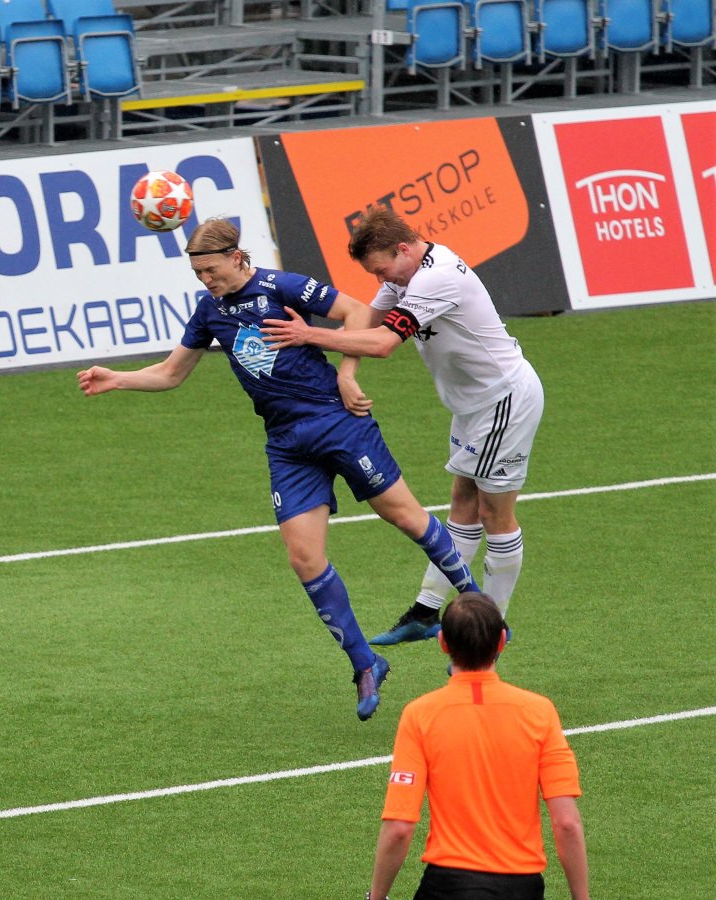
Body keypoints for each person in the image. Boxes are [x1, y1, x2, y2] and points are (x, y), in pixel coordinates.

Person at [77, 218, 479, 721]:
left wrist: (348, 375)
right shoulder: (208, 312)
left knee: (406, 518)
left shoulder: (280, 285)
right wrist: (118, 379)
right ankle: (365, 662)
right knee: (303, 557)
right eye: (198, 272)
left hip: (338, 423)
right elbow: (170, 372)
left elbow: (356, 311)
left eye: (211, 269)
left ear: (237, 257)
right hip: (287, 445)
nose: (206, 279)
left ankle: (479, 606)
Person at [263, 208, 543, 646]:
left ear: (404, 249)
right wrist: (346, 374)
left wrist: (310, 337)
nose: (380, 282)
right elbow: (364, 322)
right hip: (474, 406)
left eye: (381, 270)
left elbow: (383, 343)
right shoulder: (404, 277)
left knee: (496, 515)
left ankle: (490, 632)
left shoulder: (436, 278)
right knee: (463, 503)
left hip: (504, 400)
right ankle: (426, 611)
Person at [368, 592, 588, 900]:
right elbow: (566, 822)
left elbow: (400, 827)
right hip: (522, 888)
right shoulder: (539, 712)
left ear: (443, 642)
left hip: (447, 886)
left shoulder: (420, 715)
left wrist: (375, 896)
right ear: (500, 642)